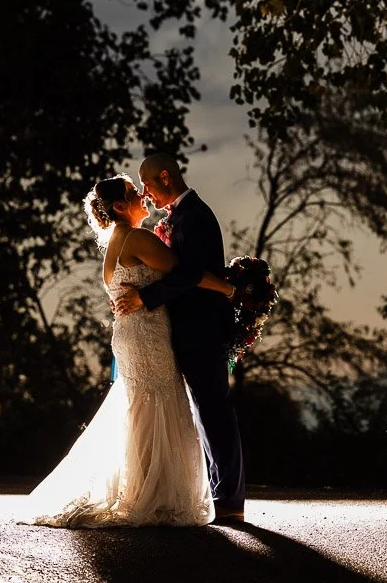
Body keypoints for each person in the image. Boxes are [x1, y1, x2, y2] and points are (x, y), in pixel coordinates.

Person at [25, 173, 235, 528]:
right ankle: (153, 496)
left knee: (142, 405)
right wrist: (227, 289)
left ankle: (144, 490)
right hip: (147, 336)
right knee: (159, 401)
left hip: (130, 335)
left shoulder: (115, 243)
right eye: (133, 192)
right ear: (121, 206)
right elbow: (187, 274)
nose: (142, 195)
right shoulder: (137, 238)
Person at [112, 153, 247, 524]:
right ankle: (221, 494)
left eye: (148, 183)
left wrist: (145, 297)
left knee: (214, 411)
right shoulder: (175, 219)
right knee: (201, 414)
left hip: (203, 329)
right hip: (182, 331)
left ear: (166, 177)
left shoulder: (196, 215)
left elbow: (189, 274)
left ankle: (231, 499)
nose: (145, 192)